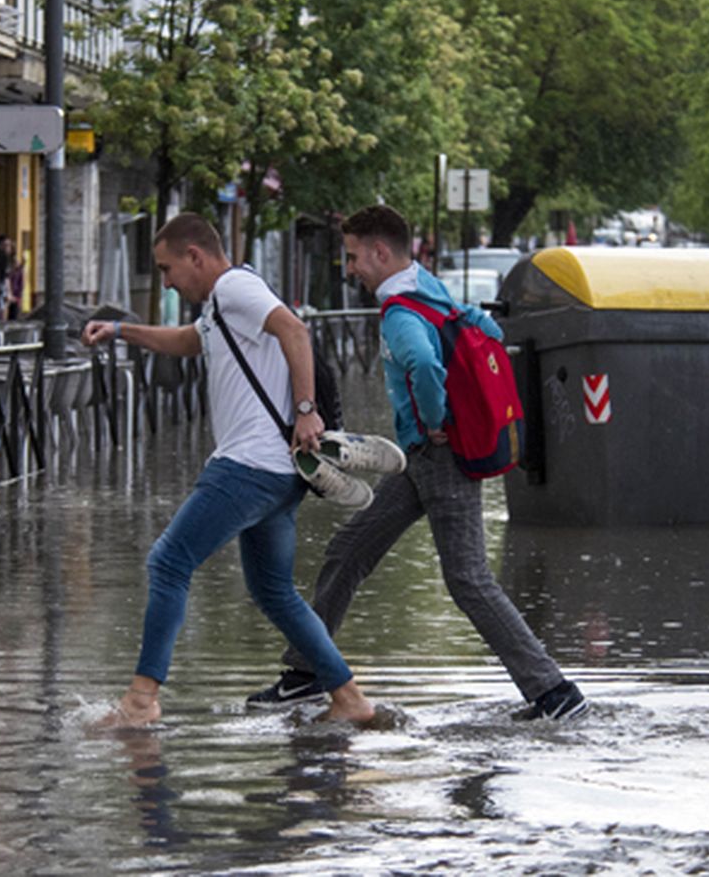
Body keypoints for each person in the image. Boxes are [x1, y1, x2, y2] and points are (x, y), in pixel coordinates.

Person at [248, 204, 588, 721]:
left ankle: (554, 693)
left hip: (438, 453)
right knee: (348, 550)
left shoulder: (402, 312)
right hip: (423, 460)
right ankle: (306, 672)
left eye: (356, 257)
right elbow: (485, 330)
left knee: (468, 579)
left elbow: (425, 363)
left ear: (381, 253)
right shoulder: (427, 288)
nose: (352, 268)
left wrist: (434, 419)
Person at [81, 212, 375, 728]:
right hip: (278, 473)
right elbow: (189, 341)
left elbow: (295, 331)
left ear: (196, 256)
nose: (167, 280)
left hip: (248, 464)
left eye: (168, 269)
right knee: (272, 591)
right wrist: (122, 330)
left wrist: (306, 411)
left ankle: (140, 701)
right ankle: (349, 699)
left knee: (169, 561)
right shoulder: (221, 306)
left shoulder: (236, 287)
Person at [0, 234, 20, 320]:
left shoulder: (8, 260)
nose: (8, 248)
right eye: (5, 245)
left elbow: (7, 277)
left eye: (9, 245)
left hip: (3, 293)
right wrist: (5, 293)